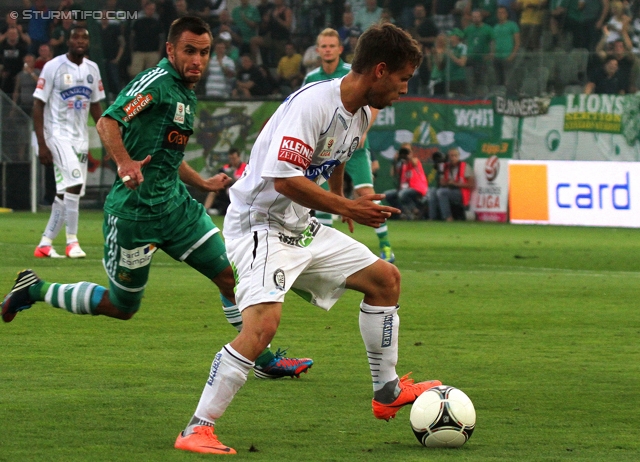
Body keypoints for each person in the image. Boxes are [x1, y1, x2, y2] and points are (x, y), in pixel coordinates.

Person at [2, 17, 313, 389]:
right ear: (170, 50)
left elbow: (166, 153)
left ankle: (261, 359)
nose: (198, 60)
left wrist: (201, 182)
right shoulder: (156, 84)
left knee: (232, 276)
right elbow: (107, 123)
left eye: (204, 52)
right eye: (189, 51)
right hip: (134, 214)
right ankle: (34, 288)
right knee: (122, 307)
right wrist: (124, 163)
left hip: (178, 209)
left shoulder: (185, 89)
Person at [175, 23, 442, 455]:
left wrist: (337, 198)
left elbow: (336, 154)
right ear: (379, 70)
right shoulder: (314, 104)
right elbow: (283, 181)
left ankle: (387, 392)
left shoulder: (363, 112)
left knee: (384, 280)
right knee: (262, 326)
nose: (404, 89)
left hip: (300, 225)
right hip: (259, 224)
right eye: (403, 78)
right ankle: (196, 428)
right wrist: (348, 208)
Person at [302, 28, 396, 263]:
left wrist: (363, 130)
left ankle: (385, 246)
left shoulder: (352, 73)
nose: (327, 50)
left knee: (366, 193)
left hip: (354, 145)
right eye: (323, 46)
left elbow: (373, 102)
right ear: (318, 50)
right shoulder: (311, 77)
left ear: (340, 49)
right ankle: (323, 250)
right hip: (325, 147)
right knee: (322, 193)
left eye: (331, 46)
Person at [30, 24, 104, 259]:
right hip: (57, 135)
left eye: (84, 37)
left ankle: (45, 243)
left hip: (80, 139)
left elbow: (96, 107)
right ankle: (72, 241)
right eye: (75, 37)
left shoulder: (93, 68)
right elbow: (38, 104)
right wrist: (42, 143)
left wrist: (108, 140)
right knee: (72, 184)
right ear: (68, 41)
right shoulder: (53, 67)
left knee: (68, 192)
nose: (80, 41)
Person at [384, 143, 428, 220]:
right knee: (387, 195)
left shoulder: (415, 160)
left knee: (402, 194)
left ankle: (416, 211)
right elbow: (393, 174)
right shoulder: (402, 165)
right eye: (403, 151)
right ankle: (401, 213)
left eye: (407, 150)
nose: (405, 153)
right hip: (404, 189)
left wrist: (408, 157)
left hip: (417, 188)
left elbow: (414, 163)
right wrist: (395, 160)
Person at [434, 146, 475, 221]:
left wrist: (455, 184)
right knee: (433, 192)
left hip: (461, 192)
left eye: (455, 156)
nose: (452, 158)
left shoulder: (465, 166)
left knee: (441, 192)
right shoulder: (445, 167)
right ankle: (432, 218)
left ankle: (448, 217)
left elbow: (471, 185)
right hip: (449, 189)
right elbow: (442, 182)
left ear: (459, 156)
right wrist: (444, 182)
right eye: (451, 156)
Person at [203, 147, 247, 215]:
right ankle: (205, 210)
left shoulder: (245, 168)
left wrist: (235, 178)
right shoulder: (225, 168)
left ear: (239, 157)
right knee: (213, 191)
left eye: (234, 159)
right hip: (226, 189)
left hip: (239, 191)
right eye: (230, 159)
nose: (232, 161)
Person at [128, 1, 165, 79]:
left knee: (151, 75)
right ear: (145, 9)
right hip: (139, 51)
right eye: (149, 9)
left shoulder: (157, 21)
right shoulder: (137, 21)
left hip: (153, 52)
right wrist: (132, 50)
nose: (151, 11)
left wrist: (159, 51)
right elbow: (132, 36)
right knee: (134, 74)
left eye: (152, 9)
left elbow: (161, 37)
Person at [464, 9, 494, 91]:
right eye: (474, 17)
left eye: (477, 17)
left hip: (482, 59)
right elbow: (462, 39)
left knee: (482, 80)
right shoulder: (468, 29)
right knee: (470, 80)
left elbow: (493, 41)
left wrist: (491, 54)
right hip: (470, 58)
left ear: (481, 17)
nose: (476, 19)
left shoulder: (488, 29)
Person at [491, 5, 520, 88]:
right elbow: (494, 42)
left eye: (502, 12)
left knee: (510, 79)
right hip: (497, 57)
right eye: (499, 13)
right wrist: (493, 54)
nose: (500, 14)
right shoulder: (495, 27)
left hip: (508, 56)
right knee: (499, 79)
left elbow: (517, 42)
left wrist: (512, 55)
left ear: (507, 14)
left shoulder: (512, 25)